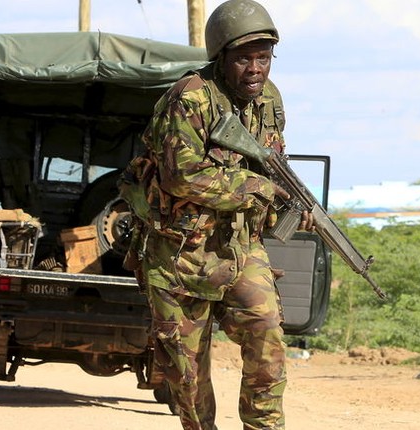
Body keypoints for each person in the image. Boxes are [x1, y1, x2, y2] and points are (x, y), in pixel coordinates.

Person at [120, 1, 313, 429]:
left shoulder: (269, 100)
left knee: (267, 335)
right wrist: (259, 189)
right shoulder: (190, 97)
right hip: (179, 255)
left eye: (263, 58)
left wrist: (294, 201)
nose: (255, 69)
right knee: (187, 376)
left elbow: (271, 161)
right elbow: (181, 176)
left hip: (241, 248)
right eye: (244, 58)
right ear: (221, 56)